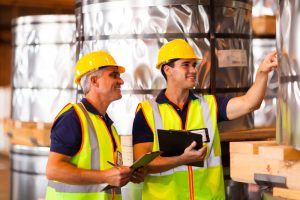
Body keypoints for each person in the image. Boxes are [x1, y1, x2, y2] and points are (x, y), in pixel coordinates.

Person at [132, 39, 278, 199]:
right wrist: (182, 159)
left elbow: (249, 103)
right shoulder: (147, 112)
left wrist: (263, 73)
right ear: (168, 70)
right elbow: (142, 163)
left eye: (194, 65)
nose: (193, 70)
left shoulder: (209, 105)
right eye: (185, 65)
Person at [45, 50, 146, 200]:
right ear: (94, 81)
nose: (121, 81)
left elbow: (105, 174)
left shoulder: (108, 124)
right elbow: (53, 170)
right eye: (113, 75)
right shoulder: (73, 117)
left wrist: (126, 175)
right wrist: (105, 176)